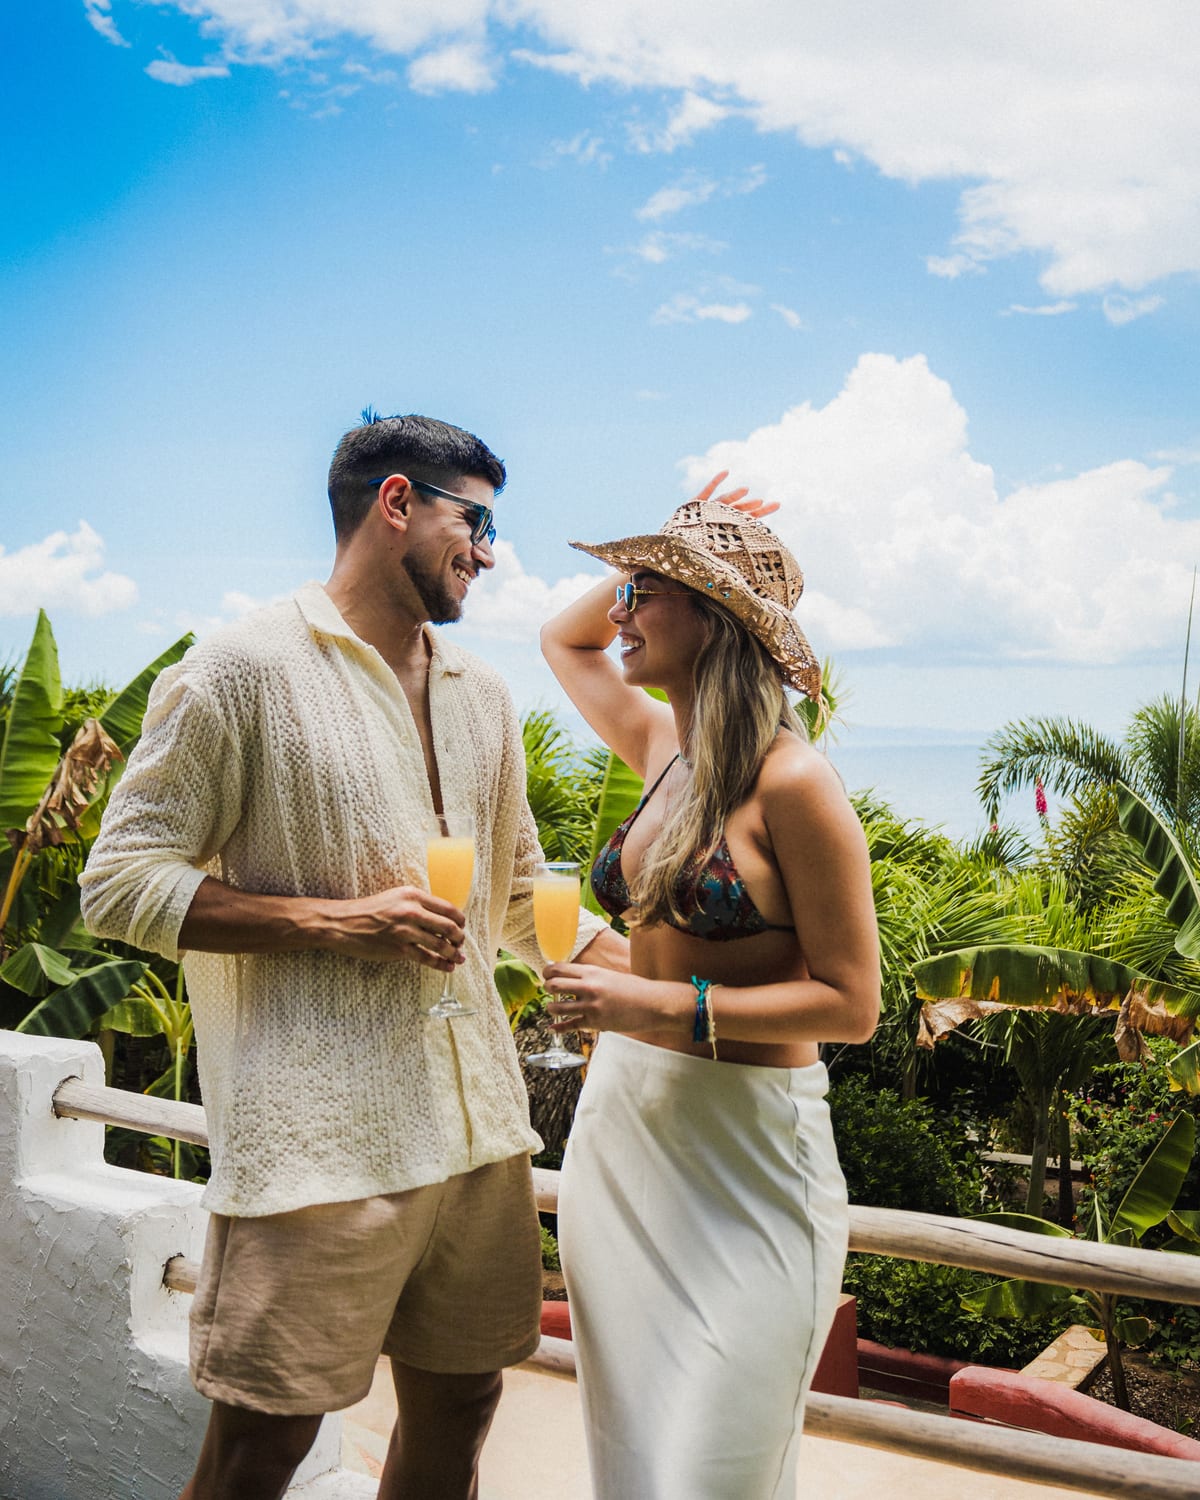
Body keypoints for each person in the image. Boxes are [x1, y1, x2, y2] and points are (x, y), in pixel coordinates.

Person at [79, 412, 627, 1500]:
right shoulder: (239, 670)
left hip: (477, 1132)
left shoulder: (485, 695)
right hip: (317, 1142)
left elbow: (517, 894)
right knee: (261, 1446)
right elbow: (119, 883)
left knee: (461, 1417)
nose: (486, 548)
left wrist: (660, 975)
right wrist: (342, 923)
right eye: (475, 520)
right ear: (396, 504)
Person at [538, 474, 880, 1500]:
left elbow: (851, 1004)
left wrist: (660, 1007)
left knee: (716, 1471)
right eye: (627, 589)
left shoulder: (796, 785)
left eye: (648, 592)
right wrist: (678, 539)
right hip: (622, 1139)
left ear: (717, 617)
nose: (624, 611)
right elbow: (567, 642)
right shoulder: (659, 750)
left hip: (750, 1161)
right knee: (635, 1461)